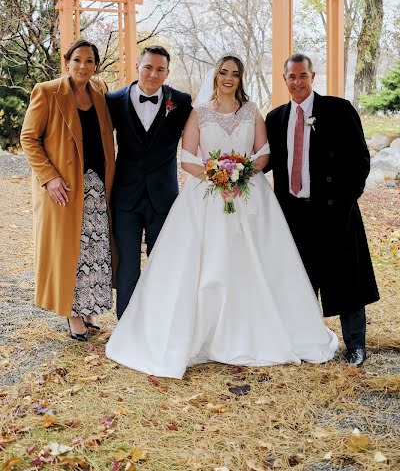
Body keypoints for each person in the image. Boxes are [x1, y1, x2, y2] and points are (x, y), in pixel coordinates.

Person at [106, 55, 338, 379]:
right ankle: (201, 332)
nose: (229, 78)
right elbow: (187, 158)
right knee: (207, 265)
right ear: (215, 76)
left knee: (252, 262)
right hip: (206, 195)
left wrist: (240, 174)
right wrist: (217, 177)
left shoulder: (251, 110)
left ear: (241, 79)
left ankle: (253, 331)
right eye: (223, 73)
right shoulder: (198, 113)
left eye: (235, 74)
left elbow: (264, 153)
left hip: (249, 196)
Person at [265, 53, 379, 367]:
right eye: (292, 77)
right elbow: (264, 161)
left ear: (313, 77)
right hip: (293, 214)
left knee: (346, 280)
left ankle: (355, 345)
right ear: (284, 79)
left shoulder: (339, 110)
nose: (297, 82)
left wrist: (346, 199)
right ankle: (308, 341)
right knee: (300, 280)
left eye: (303, 76)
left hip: (334, 211)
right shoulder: (275, 119)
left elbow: (360, 159)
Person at [20, 39, 116, 341]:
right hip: (64, 187)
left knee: (93, 249)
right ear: (67, 62)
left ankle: (88, 308)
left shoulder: (100, 93)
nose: (83, 66)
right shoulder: (47, 92)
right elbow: (28, 138)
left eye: (89, 61)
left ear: (96, 66)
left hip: (97, 186)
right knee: (70, 252)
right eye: (77, 60)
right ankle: (72, 313)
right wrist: (49, 178)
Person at [105, 45, 192, 319]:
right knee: (128, 263)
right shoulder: (114, 100)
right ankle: (127, 324)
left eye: (160, 69)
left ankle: (157, 321)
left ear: (167, 72)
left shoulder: (182, 101)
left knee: (161, 262)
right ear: (137, 66)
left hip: (163, 197)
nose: (153, 74)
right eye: (148, 67)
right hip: (126, 197)